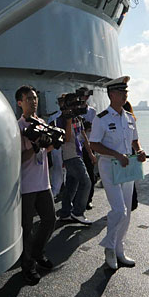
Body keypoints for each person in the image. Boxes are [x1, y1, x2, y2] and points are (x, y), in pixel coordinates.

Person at [89, 76, 147, 270]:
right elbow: (94, 144)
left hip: (127, 166)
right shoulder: (102, 118)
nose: (125, 95)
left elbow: (134, 140)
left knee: (127, 212)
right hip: (110, 166)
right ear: (112, 94)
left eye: (126, 92)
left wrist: (139, 151)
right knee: (119, 210)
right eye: (122, 92)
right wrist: (116, 154)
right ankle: (109, 248)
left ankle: (119, 248)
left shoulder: (129, 117)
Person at [15, 86, 57, 285]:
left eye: (34, 98)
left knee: (50, 219)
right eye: (28, 99)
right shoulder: (18, 127)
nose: (33, 101)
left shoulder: (41, 123)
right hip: (27, 185)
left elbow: (46, 151)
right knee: (27, 227)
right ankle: (27, 265)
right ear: (20, 103)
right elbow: (18, 158)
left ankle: (37, 252)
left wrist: (51, 142)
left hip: (43, 182)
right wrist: (34, 146)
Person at [55, 95, 94, 225]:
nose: (77, 107)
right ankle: (78, 212)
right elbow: (66, 139)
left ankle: (65, 213)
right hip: (70, 156)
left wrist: (90, 154)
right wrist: (68, 121)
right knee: (86, 182)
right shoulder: (61, 120)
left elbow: (83, 136)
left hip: (78, 154)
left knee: (71, 186)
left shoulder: (77, 118)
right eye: (74, 105)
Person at [77, 87, 98, 210]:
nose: (84, 98)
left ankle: (88, 199)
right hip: (76, 146)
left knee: (90, 174)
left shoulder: (92, 112)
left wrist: (88, 127)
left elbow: (95, 128)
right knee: (77, 176)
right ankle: (77, 200)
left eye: (86, 96)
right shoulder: (74, 111)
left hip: (88, 146)